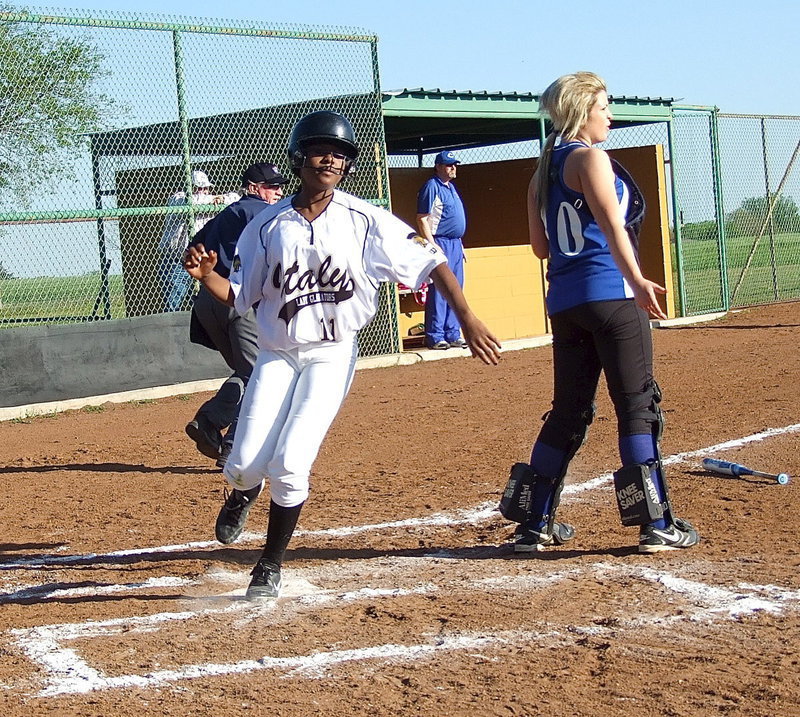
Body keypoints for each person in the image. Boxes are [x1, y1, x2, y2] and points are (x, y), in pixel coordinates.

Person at [184, 110, 501, 599]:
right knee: (244, 463)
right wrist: (208, 277)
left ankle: (269, 564)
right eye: (318, 151)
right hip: (277, 352)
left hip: (331, 353)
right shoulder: (268, 225)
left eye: (338, 153)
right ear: (298, 159)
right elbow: (242, 295)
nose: (328, 159)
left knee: (291, 462)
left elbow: (431, 258)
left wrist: (466, 316)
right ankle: (244, 490)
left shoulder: (364, 219)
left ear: (347, 164)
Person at [499, 72, 699, 555]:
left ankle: (534, 524)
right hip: (610, 295)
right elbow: (613, 226)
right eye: (604, 106)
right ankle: (656, 524)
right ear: (583, 108)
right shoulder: (592, 157)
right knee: (637, 404)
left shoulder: (543, 167)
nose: (609, 115)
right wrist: (637, 280)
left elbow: (540, 247)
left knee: (568, 411)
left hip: (565, 303)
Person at [184, 163, 289, 468]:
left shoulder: (226, 214)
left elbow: (191, 252)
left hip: (209, 299)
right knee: (260, 374)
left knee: (248, 371)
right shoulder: (262, 211)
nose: (278, 192)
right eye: (272, 186)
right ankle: (233, 443)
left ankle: (208, 423)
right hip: (237, 300)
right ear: (253, 187)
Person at [157, 170, 237, 312]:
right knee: (173, 302)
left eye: (205, 188)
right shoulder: (178, 198)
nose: (203, 192)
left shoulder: (213, 201)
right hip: (176, 259)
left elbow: (236, 198)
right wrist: (214, 200)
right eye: (199, 188)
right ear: (191, 187)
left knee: (201, 301)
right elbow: (192, 200)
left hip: (199, 260)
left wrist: (222, 199)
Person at [416, 150, 468, 350]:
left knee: (456, 289)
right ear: (438, 167)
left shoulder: (451, 187)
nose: (453, 168)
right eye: (448, 165)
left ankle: (453, 333)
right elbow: (422, 218)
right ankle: (436, 336)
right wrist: (433, 246)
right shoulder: (432, 186)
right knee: (439, 289)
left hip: (455, 243)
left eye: (454, 164)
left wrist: (460, 245)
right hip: (440, 243)